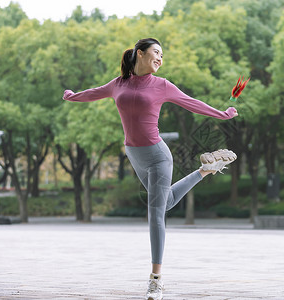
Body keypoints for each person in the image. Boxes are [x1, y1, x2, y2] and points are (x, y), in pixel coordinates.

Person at [63, 38, 238, 300]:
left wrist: (222, 114)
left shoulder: (162, 85)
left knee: (155, 213)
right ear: (140, 53)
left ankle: (155, 280)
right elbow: (94, 92)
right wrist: (72, 96)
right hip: (134, 154)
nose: (160, 58)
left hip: (157, 156)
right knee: (165, 202)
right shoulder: (118, 84)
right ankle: (206, 169)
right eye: (156, 52)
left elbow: (192, 103)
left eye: (162, 55)